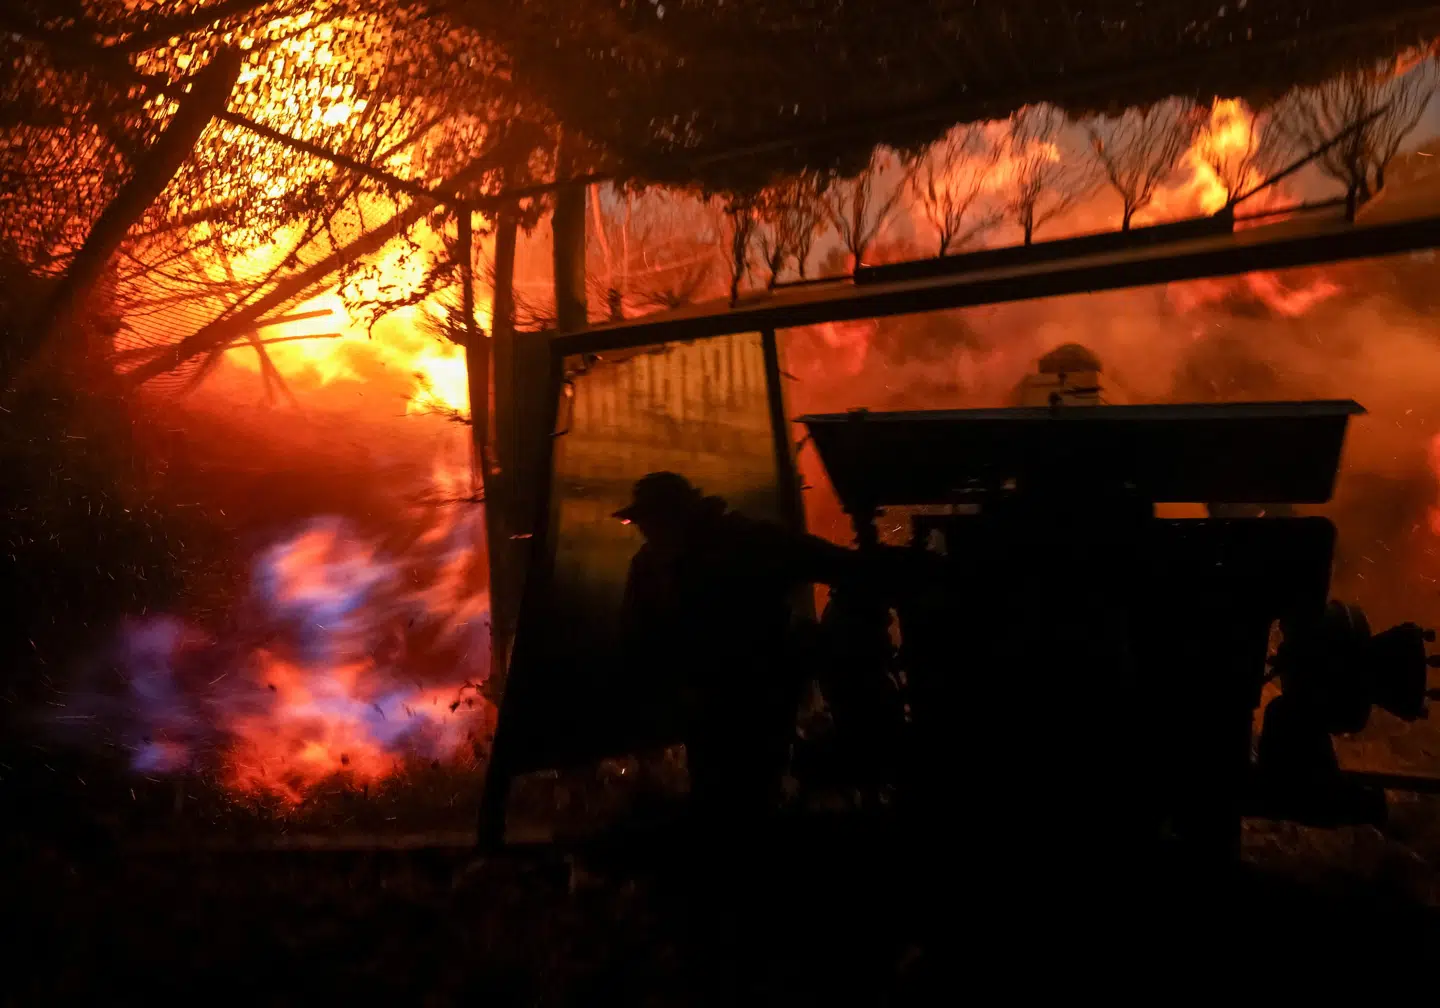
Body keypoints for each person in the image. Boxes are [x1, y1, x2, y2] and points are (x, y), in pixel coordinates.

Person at [615, 471, 857, 824]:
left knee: (749, 791)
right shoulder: (652, 564)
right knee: (721, 793)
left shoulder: (750, 545)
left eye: (650, 521)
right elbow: (637, 633)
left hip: (757, 695)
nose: (645, 531)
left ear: (677, 517)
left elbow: (830, 563)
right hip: (706, 700)